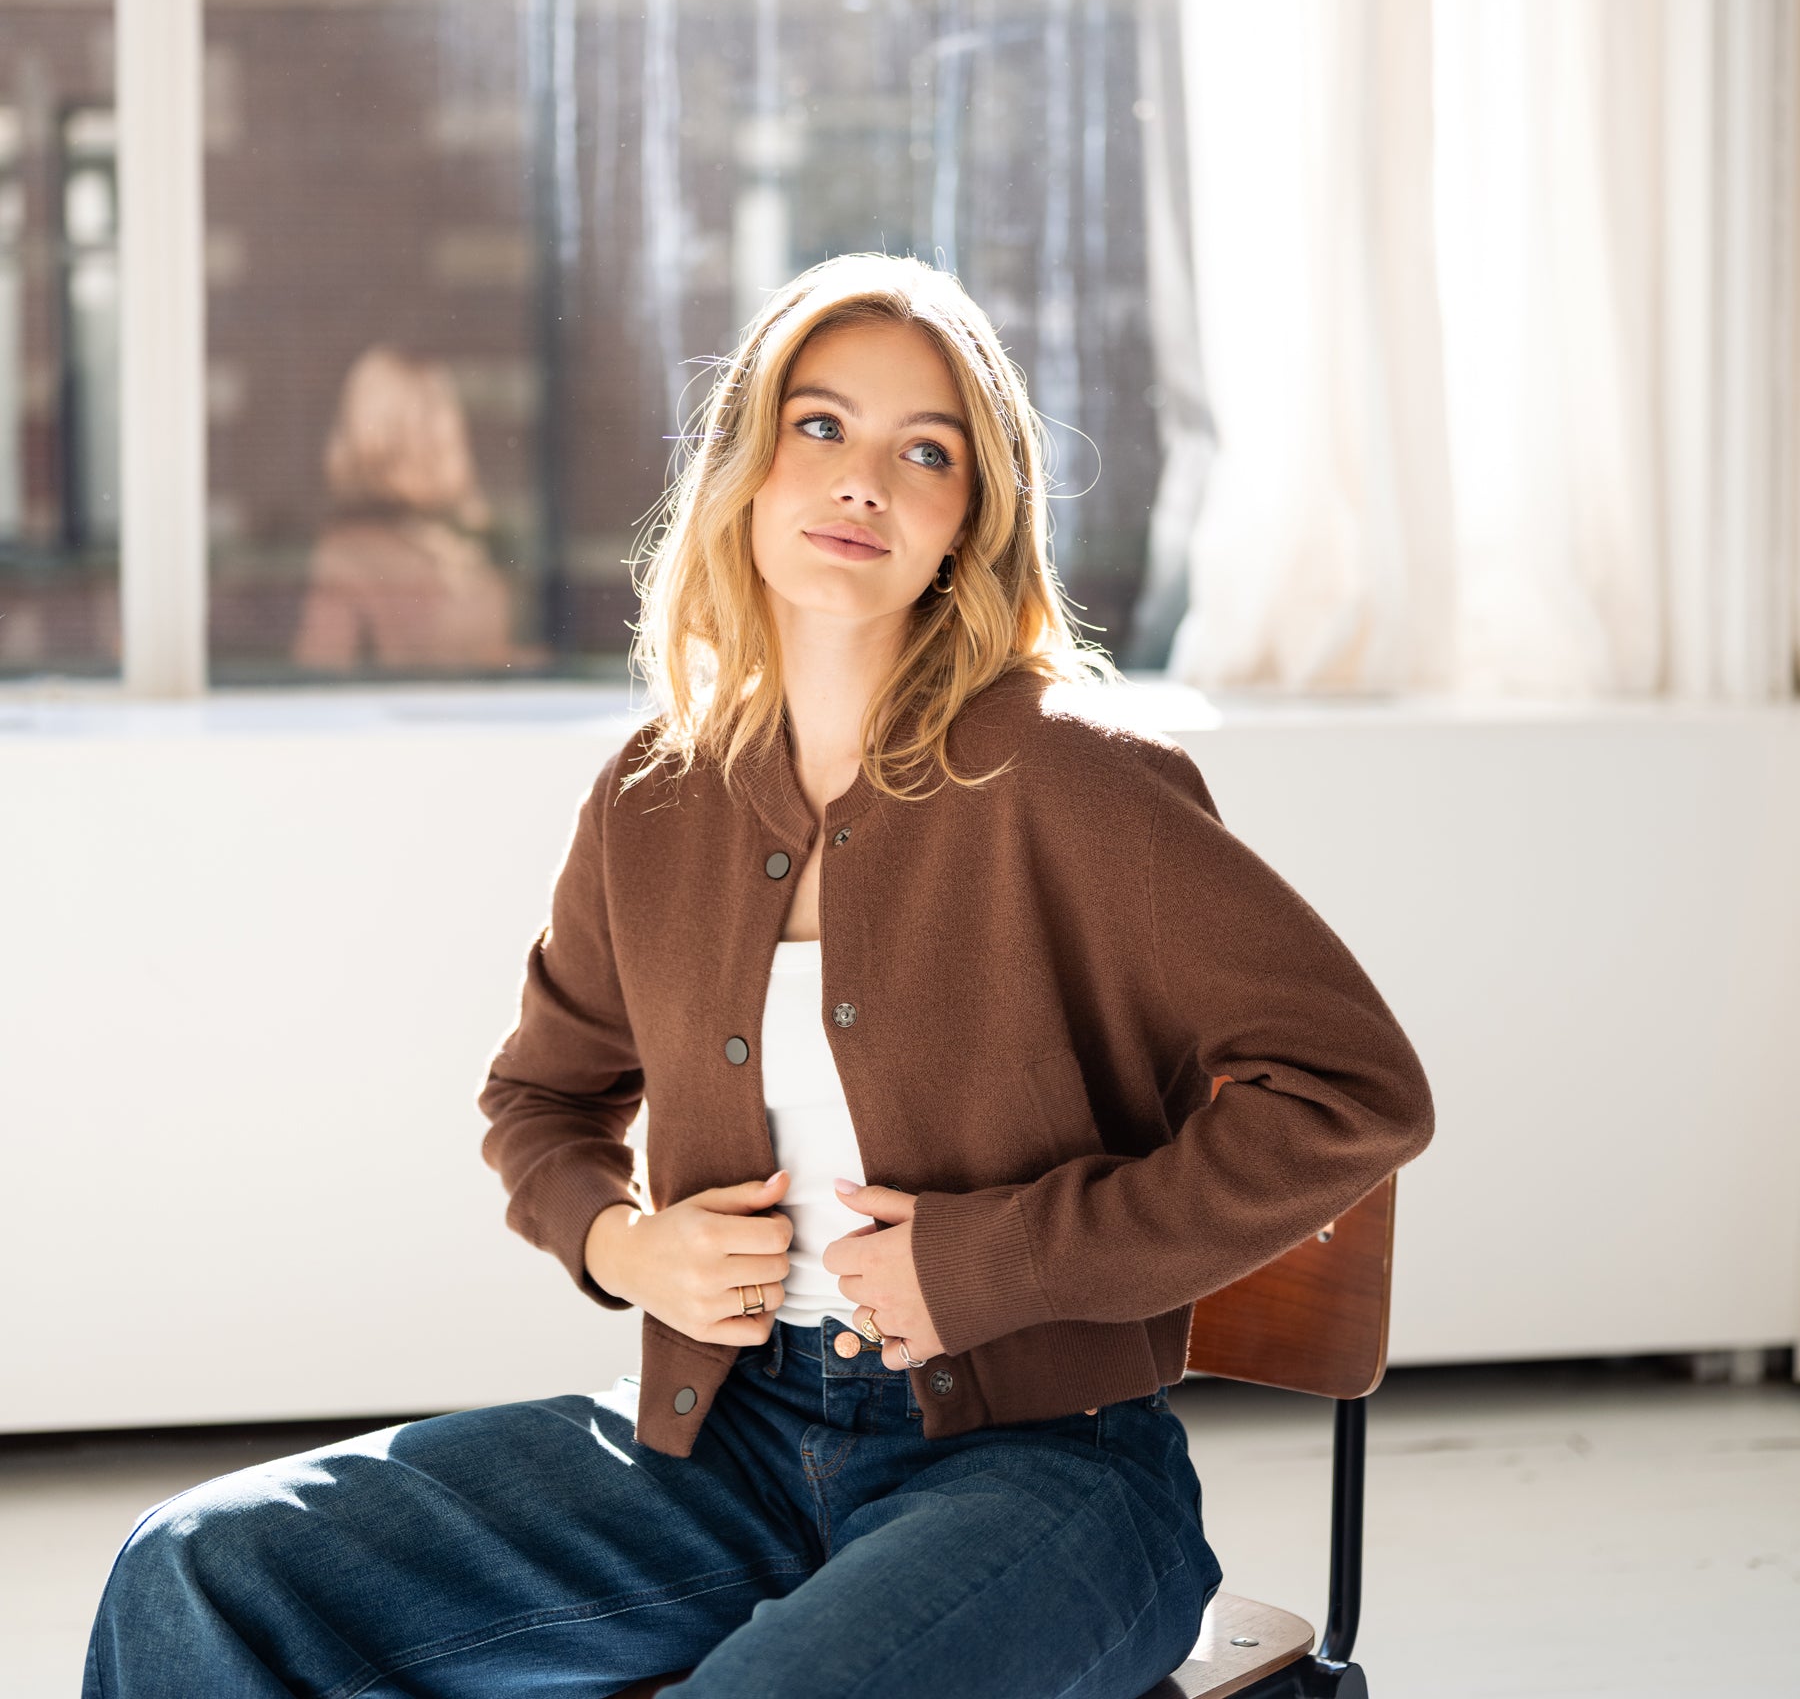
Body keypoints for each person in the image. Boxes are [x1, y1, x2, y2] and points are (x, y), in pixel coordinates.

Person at [83, 253, 1435, 1698]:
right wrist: (624, 1247)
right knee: (199, 1569)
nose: (864, 480)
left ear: (967, 524)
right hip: (716, 1445)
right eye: (820, 426)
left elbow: (1352, 1094)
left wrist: (1002, 1261)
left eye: (927, 452)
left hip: (1054, 1479)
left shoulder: (1075, 784)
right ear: (744, 464)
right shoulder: (656, 797)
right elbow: (539, 1099)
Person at [291, 343, 529, 672]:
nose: (454, 433)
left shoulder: (469, 538)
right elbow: (316, 686)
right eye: (443, 417)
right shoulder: (352, 558)